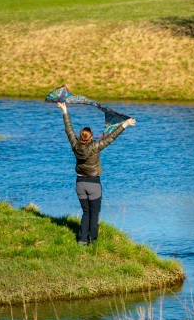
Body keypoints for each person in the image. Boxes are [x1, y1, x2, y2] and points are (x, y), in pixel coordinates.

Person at [58, 102, 136, 245]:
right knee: (94, 214)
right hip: (94, 184)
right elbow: (111, 137)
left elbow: (68, 130)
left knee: (86, 213)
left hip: (80, 184)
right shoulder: (95, 146)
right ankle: (93, 242)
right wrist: (125, 124)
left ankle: (81, 240)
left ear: (81, 137)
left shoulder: (75, 145)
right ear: (91, 136)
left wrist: (64, 111)